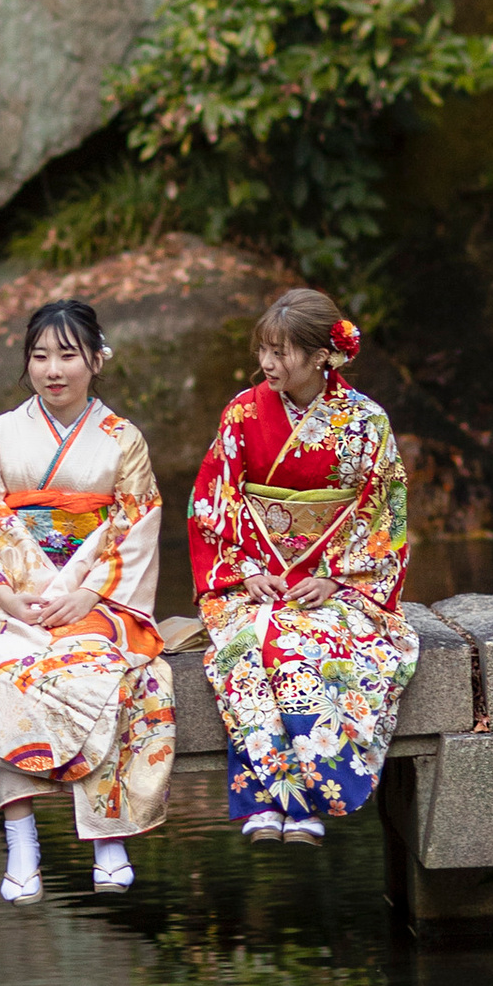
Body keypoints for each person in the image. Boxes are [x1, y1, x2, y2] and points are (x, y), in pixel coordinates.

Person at [0, 298, 176, 905]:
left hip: (95, 597)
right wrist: (4, 594)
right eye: (40, 356)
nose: (53, 369)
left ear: (96, 361)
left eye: (68, 355)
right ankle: (21, 838)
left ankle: (108, 836)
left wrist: (84, 594)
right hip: (15, 603)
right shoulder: (0, 435)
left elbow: (136, 521)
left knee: (123, 676)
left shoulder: (122, 438)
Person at [188, 285, 417, 842]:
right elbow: (212, 502)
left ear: (321, 355)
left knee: (301, 646)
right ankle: (290, 800)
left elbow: (384, 511)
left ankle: (289, 798)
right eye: (264, 349)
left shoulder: (365, 422)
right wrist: (244, 570)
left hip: (336, 586)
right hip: (255, 581)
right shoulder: (242, 413)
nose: (267, 363)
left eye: (282, 352)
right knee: (253, 645)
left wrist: (337, 576)